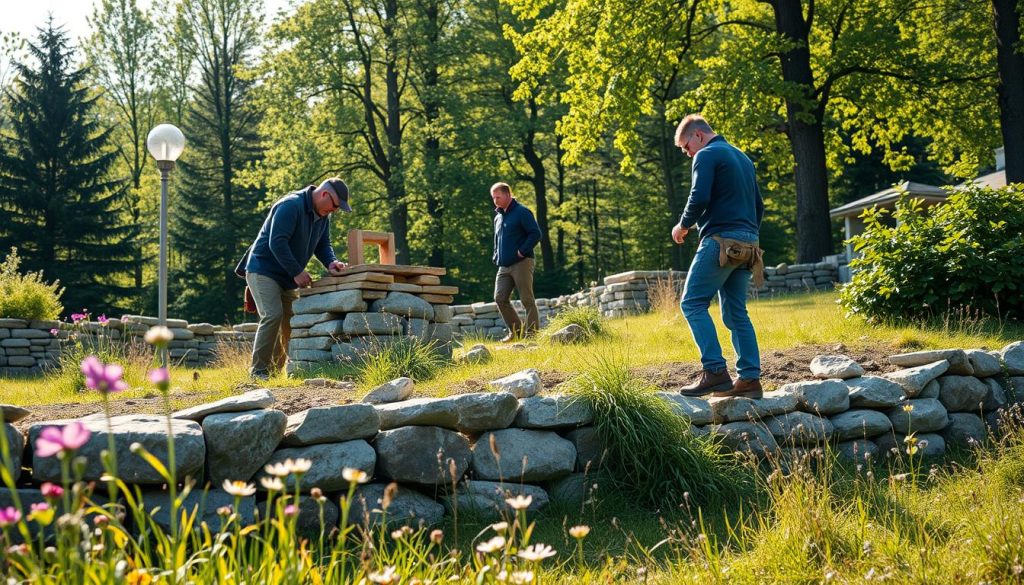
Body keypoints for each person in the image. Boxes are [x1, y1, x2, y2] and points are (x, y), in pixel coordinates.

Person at [672, 115, 765, 399]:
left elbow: (698, 197)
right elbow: (758, 205)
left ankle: (714, 372)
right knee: (736, 312)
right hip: (749, 243)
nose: (688, 154)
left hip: (721, 241)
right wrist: (748, 235)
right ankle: (749, 380)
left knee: (692, 303)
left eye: (687, 147)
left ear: (698, 136)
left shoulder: (707, 155)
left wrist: (683, 225)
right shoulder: (742, 157)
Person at [235, 178, 352, 379]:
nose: (334, 211)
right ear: (324, 194)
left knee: (292, 323)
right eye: (334, 205)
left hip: (286, 277)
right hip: (262, 270)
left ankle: (276, 373)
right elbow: (277, 242)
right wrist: (297, 271)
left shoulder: (323, 217)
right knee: (273, 315)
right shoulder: (290, 205)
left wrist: (331, 262)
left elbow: (323, 245)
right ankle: (258, 372)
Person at [491, 182, 542, 342]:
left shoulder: (522, 212)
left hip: (522, 262)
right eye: (493, 197)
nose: (495, 200)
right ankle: (517, 332)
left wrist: (522, 251)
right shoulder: (498, 217)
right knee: (500, 298)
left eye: (498, 197)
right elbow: (497, 239)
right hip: (503, 266)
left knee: (527, 299)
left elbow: (535, 233)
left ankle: (532, 335)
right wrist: (496, 255)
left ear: (507, 194)